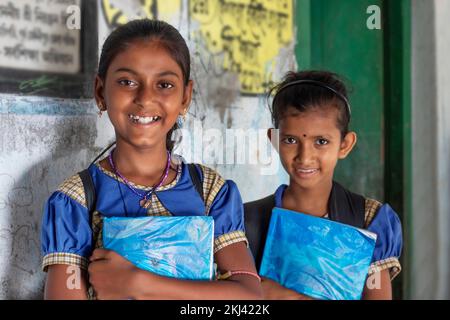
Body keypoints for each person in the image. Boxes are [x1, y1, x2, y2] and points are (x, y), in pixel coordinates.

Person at [41, 19, 262, 300]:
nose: (145, 98)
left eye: (165, 84)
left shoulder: (209, 191)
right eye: (127, 82)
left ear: (186, 96)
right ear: (100, 92)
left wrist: (139, 283)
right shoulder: (75, 201)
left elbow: (249, 299)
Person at [244, 70, 403, 300]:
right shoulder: (246, 221)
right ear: (275, 140)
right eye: (290, 140)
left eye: (321, 141)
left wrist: (285, 296)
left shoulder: (369, 220)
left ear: (344, 145)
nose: (305, 157)